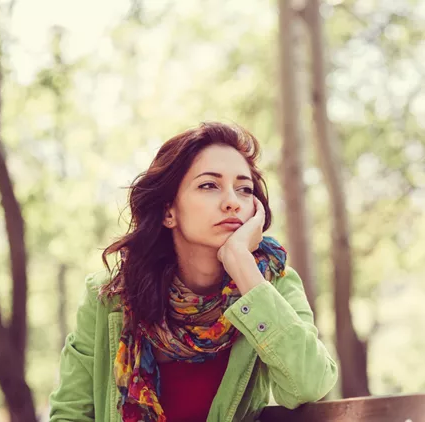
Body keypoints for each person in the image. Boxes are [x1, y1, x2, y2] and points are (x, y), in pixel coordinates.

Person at [49, 122, 338, 422]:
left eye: (244, 190)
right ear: (168, 212)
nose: (232, 203)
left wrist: (242, 265)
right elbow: (69, 414)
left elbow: (309, 384)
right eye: (209, 185)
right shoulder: (110, 296)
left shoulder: (270, 285)